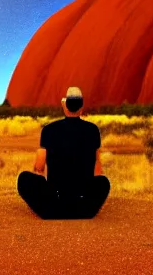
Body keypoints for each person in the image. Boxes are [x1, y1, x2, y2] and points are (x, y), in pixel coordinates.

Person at [17, 86, 110, 219]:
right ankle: (83, 210)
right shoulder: (93, 130)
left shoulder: (49, 130)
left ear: (65, 105)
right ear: (81, 106)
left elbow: (39, 168)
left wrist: (42, 189)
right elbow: (98, 168)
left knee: (23, 178)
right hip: (82, 203)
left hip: (55, 200)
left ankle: (50, 209)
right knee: (103, 182)